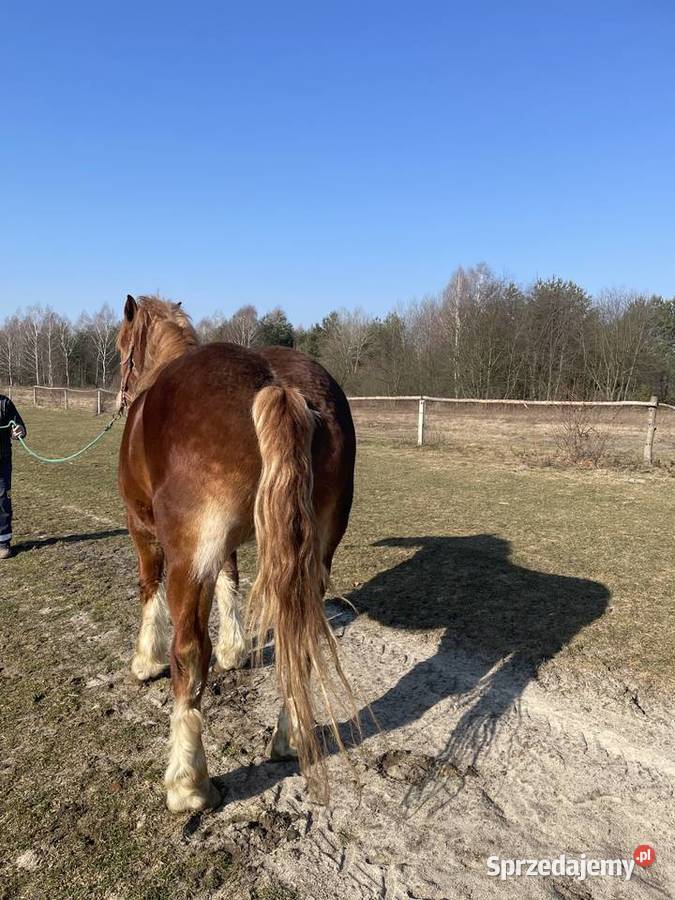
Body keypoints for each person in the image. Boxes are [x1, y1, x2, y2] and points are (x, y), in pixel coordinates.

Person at [0, 394, 27, 559]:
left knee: (3, 499)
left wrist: (19, 431)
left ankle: (3, 542)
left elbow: (19, 427)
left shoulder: (5, 403)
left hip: (2, 460)